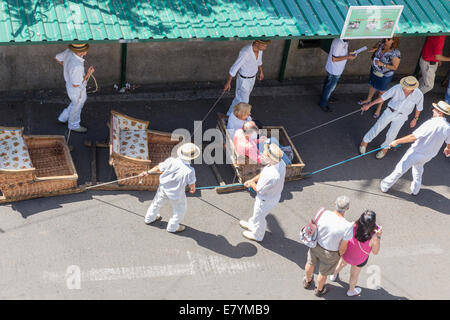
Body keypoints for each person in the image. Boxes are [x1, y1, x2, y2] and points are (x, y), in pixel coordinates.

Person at [380, 101, 450, 195]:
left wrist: (396, 141)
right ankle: (415, 189)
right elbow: (448, 142)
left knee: (400, 169)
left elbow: (413, 137)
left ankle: (385, 185)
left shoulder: (430, 123)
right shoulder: (448, 127)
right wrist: (447, 148)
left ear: (440, 113)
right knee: (418, 169)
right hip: (429, 156)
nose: (433, 110)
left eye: (435, 109)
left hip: (416, 152)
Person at [140, 143, 200, 233]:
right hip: (177, 193)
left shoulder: (171, 160)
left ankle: (149, 218)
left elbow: (158, 167)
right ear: (192, 157)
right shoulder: (190, 171)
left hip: (163, 188)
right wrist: (193, 189)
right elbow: (192, 183)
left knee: (156, 203)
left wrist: (147, 172)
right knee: (180, 210)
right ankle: (172, 227)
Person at [360, 76, 423, 159]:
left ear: (413, 88)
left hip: (402, 116)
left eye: (406, 87)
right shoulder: (397, 88)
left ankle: (385, 148)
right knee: (378, 127)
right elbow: (383, 98)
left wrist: (415, 119)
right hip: (390, 111)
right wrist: (369, 105)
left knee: (392, 134)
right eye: (404, 86)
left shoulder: (419, 94)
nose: (403, 88)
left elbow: (419, 107)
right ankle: (364, 142)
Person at [303, 196, 353, 297]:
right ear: (347, 209)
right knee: (323, 273)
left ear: (335, 204)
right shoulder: (347, 226)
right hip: (331, 253)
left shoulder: (323, 213)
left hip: (316, 245)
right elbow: (343, 247)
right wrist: (339, 254)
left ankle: (307, 281)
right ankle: (319, 290)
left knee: (310, 263)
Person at [240, 143, 286, 242]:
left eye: (265, 155)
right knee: (257, 215)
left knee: (260, 217)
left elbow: (259, 189)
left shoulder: (271, 175)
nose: (262, 155)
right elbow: (263, 172)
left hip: (265, 200)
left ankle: (258, 235)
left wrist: (251, 183)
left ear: (271, 159)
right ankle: (252, 224)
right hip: (273, 196)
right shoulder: (281, 163)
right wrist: (252, 180)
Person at [330, 210, 382, 297]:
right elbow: (375, 252)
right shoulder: (374, 237)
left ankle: (333, 276)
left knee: (340, 264)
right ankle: (351, 291)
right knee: (354, 275)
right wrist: (378, 236)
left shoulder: (353, 226)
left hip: (347, 254)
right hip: (360, 259)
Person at [55, 44, 95, 133]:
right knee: (77, 106)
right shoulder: (77, 67)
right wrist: (88, 74)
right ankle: (73, 125)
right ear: (80, 52)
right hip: (76, 90)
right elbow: (77, 84)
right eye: (85, 50)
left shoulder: (69, 51)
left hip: (69, 85)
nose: (87, 51)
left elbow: (57, 58)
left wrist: (67, 67)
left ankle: (63, 117)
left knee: (75, 103)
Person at [224, 40, 270, 116]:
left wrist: (261, 71)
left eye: (266, 45)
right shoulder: (245, 52)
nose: (265, 47)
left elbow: (259, 62)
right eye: (264, 45)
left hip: (252, 78)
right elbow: (234, 68)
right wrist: (228, 82)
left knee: (239, 99)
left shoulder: (260, 50)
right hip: (244, 80)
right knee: (245, 101)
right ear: (256, 43)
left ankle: (230, 114)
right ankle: (241, 118)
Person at [358, 37, 401, 118]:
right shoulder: (381, 43)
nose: (386, 39)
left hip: (384, 75)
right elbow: (375, 48)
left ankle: (379, 108)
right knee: (372, 85)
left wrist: (382, 64)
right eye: (386, 37)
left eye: (388, 39)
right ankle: (368, 99)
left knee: (381, 92)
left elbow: (395, 67)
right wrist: (373, 49)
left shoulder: (395, 53)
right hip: (374, 70)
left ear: (394, 41)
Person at [319, 38, 357, 112]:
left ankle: (326, 97)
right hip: (334, 70)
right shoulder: (339, 43)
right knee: (329, 87)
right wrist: (348, 57)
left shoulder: (344, 40)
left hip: (335, 68)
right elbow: (334, 59)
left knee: (328, 84)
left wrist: (349, 52)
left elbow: (344, 50)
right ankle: (323, 103)